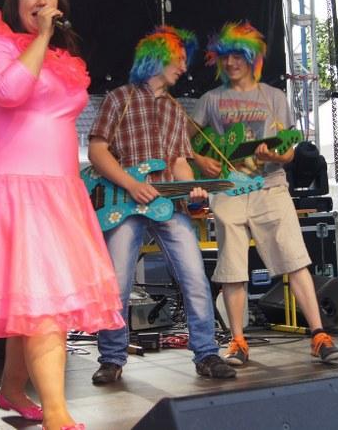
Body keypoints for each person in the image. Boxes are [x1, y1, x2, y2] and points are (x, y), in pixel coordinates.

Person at [0, 0, 124, 430]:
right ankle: (57, 413)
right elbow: (9, 91)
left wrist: (46, 43)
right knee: (44, 301)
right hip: (13, 191)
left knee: (32, 299)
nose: (41, 2)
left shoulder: (61, 58)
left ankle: (11, 389)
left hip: (58, 192)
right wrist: (43, 37)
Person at [87, 26, 237, 385]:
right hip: (125, 202)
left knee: (195, 277)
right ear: (157, 56)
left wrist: (192, 191)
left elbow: (180, 162)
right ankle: (111, 358)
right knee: (116, 283)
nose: (184, 67)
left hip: (168, 205)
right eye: (179, 59)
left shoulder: (174, 109)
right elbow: (97, 150)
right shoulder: (119, 98)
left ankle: (206, 353)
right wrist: (131, 184)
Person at [191, 21, 338, 365]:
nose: (231, 63)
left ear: (252, 58)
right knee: (232, 268)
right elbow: (188, 143)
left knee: (295, 260)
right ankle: (237, 341)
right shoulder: (210, 100)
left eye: (238, 56)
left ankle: (319, 335)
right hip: (228, 190)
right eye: (225, 57)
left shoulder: (274, 97)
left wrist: (274, 156)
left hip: (271, 187)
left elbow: (288, 152)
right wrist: (202, 161)